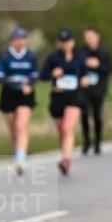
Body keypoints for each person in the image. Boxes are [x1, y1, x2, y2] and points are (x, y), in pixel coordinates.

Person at [40, 29, 88, 175]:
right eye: (62, 42)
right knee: (62, 130)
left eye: (68, 41)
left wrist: (85, 79)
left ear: (73, 42)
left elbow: (86, 74)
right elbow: (43, 76)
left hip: (75, 96)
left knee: (67, 128)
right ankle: (66, 153)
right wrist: (52, 73)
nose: (65, 44)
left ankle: (66, 160)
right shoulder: (53, 58)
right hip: (58, 97)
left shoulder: (80, 57)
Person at [0, 28, 38, 175]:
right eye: (17, 39)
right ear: (13, 40)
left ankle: (20, 160)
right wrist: (16, 84)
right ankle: (18, 151)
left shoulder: (30, 56)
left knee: (21, 126)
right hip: (9, 93)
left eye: (23, 39)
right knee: (13, 128)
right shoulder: (5, 55)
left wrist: (29, 85)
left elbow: (34, 74)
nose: (20, 42)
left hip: (25, 95)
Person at [79, 26, 112, 155]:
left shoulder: (104, 52)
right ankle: (86, 141)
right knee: (84, 115)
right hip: (84, 89)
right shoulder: (80, 52)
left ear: (97, 36)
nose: (89, 39)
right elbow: (75, 67)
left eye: (91, 36)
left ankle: (98, 142)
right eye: (86, 37)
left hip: (99, 88)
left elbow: (110, 68)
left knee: (97, 116)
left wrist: (98, 65)